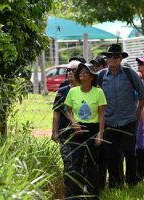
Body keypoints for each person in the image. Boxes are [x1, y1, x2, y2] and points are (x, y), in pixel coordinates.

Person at [98, 43, 144, 188]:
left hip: (128, 120)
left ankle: (132, 182)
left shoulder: (129, 73)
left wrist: (138, 113)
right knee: (111, 154)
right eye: (109, 56)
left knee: (129, 152)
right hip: (109, 121)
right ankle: (115, 183)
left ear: (121, 58)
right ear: (106, 59)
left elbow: (143, 94)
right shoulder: (101, 75)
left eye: (116, 56)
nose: (112, 58)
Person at [64, 63, 107, 199]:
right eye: (81, 71)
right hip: (77, 129)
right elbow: (67, 111)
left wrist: (100, 133)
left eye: (86, 72)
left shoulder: (98, 92)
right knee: (75, 163)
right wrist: (75, 123)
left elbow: (101, 114)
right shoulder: (73, 91)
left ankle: (93, 194)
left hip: (93, 129)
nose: (82, 73)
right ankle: (73, 194)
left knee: (92, 163)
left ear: (92, 77)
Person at [51, 60, 80, 198]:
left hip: (83, 133)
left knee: (82, 163)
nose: (69, 72)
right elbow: (56, 112)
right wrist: (54, 131)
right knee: (68, 162)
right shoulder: (62, 91)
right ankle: (69, 193)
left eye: (73, 70)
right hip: (65, 132)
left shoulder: (88, 90)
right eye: (68, 70)